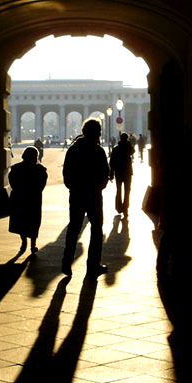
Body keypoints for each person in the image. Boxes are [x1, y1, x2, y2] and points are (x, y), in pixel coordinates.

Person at [61, 118, 110, 277]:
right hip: (94, 195)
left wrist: (73, 187)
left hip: (76, 194)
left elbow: (66, 172)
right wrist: (99, 186)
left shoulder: (73, 149)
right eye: (99, 132)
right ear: (95, 133)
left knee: (73, 228)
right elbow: (105, 172)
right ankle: (93, 265)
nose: (100, 134)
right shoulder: (98, 150)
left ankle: (66, 262)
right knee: (96, 230)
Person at [8, 146, 48, 253]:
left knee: (21, 221)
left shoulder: (16, 169)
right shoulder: (41, 170)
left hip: (20, 199)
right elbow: (41, 186)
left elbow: (12, 182)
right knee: (34, 222)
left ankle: (24, 241)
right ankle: (33, 244)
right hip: (34, 199)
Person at [109, 132, 135, 217]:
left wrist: (111, 173)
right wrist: (128, 143)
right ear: (127, 139)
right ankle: (125, 208)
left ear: (120, 138)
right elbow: (133, 151)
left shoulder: (116, 149)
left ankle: (119, 207)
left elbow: (112, 162)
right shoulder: (129, 148)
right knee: (127, 191)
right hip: (127, 172)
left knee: (119, 190)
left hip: (118, 172)